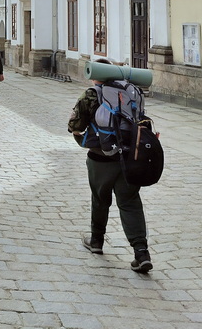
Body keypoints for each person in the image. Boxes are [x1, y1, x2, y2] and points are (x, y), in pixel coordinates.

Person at [67, 66, 153, 274]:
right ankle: (141, 253)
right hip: (128, 159)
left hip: (100, 159)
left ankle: (96, 241)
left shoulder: (91, 95)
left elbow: (74, 125)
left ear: (95, 76)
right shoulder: (130, 92)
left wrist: (80, 136)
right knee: (130, 203)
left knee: (100, 199)